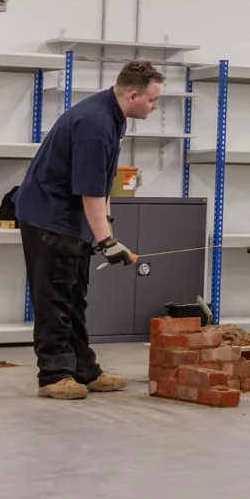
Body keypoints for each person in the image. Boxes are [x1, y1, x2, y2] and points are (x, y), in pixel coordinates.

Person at [14, 60, 162, 400]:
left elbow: (105, 183)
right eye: (153, 101)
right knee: (54, 298)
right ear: (133, 94)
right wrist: (107, 242)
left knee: (74, 296)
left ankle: (84, 368)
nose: (155, 107)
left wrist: (105, 230)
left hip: (72, 219)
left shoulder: (114, 116)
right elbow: (90, 192)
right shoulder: (95, 124)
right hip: (50, 218)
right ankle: (54, 374)